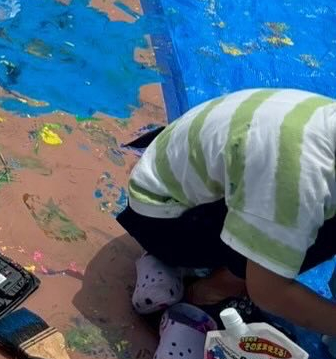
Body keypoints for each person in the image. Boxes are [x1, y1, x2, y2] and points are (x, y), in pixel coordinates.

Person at [118, 89, 336, 339]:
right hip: (162, 218)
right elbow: (270, 294)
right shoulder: (302, 180)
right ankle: (210, 292)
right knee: (318, 232)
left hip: (176, 175)